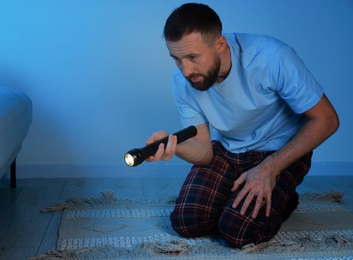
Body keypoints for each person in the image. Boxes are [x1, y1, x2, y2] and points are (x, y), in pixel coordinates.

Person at [145, 3, 339, 249]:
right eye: (177, 59)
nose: (186, 70)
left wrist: (270, 169)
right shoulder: (182, 82)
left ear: (219, 45)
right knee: (187, 224)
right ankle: (236, 198)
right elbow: (205, 152)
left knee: (236, 233)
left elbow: (327, 119)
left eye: (193, 57)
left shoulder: (272, 57)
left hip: (280, 150)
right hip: (228, 150)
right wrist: (175, 146)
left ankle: (285, 198)